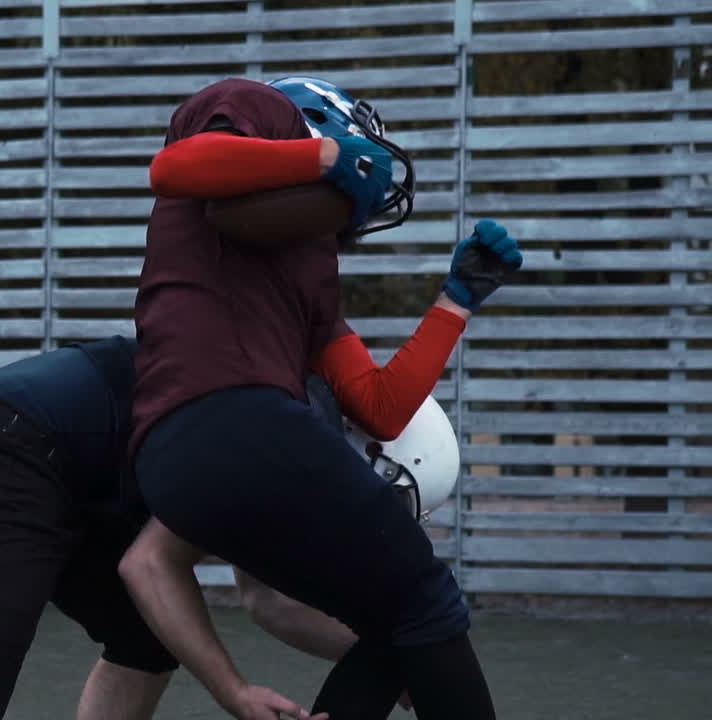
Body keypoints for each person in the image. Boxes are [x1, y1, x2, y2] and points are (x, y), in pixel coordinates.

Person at [119, 76, 523, 720]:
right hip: (241, 421)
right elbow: (174, 166)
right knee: (425, 601)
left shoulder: (303, 278)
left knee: (395, 621)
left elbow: (381, 408)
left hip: (175, 463)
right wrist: (327, 156)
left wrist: (458, 300)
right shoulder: (261, 107)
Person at [0, 337, 381, 720]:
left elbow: (266, 596)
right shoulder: (292, 429)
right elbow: (152, 565)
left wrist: (390, 654)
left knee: (144, 639)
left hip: (59, 463)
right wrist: (236, 692)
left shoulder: (297, 404)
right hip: (7, 442)